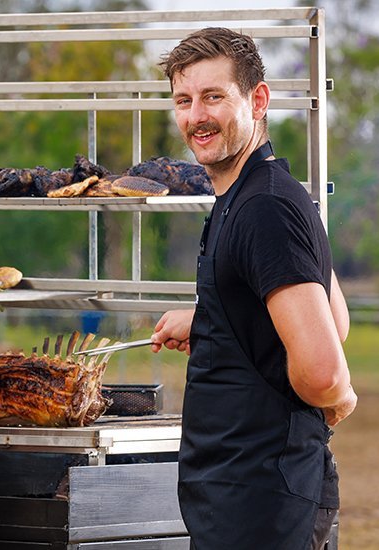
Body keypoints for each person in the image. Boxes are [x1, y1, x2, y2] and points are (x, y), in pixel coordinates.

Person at [149, 28, 357, 549]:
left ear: (258, 100)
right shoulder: (258, 193)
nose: (196, 116)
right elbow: (332, 315)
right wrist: (212, 321)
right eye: (184, 100)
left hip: (262, 503)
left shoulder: (264, 208)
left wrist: (339, 392)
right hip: (241, 495)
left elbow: (322, 365)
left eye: (214, 96)